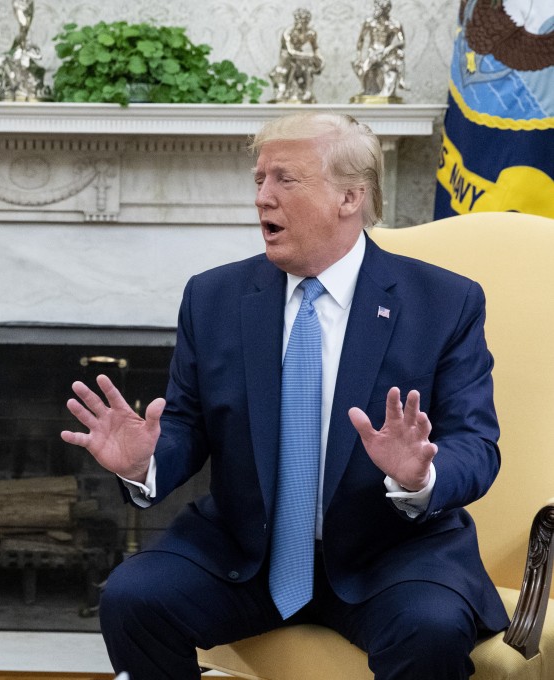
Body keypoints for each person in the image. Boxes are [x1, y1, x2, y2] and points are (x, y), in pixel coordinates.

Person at [61, 112, 509, 680]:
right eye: (259, 179)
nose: (262, 197)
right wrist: (143, 463)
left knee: (432, 628)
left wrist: (420, 476)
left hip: (391, 554)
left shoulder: (444, 302)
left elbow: (475, 443)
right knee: (133, 599)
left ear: (350, 196)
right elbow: (186, 425)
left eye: (285, 179)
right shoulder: (213, 297)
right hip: (245, 552)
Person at [352, 0, 408, 100]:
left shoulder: (394, 24)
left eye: (378, 7)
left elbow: (402, 42)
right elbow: (361, 40)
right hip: (373, 53)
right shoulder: (369, 22)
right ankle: (367, 88)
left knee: (399, 54)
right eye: (375, 7)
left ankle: (401, 81)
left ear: (386, 9)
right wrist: (358, 57)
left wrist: (390, 48)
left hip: (386, 54)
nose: (375, 10)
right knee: (364, 68)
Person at [268, 8, 323, 104]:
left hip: (300, 57)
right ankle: (285, 91)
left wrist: (320, 59)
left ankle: (307, 92)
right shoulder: (288, 32)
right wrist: (310, 56)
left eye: (304, 21)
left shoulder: (311, 33)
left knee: (308, 68)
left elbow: (316, 48)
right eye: (299, 20)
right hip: (286, 58)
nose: (301, 23)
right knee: (289, 70)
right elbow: (290, 52)